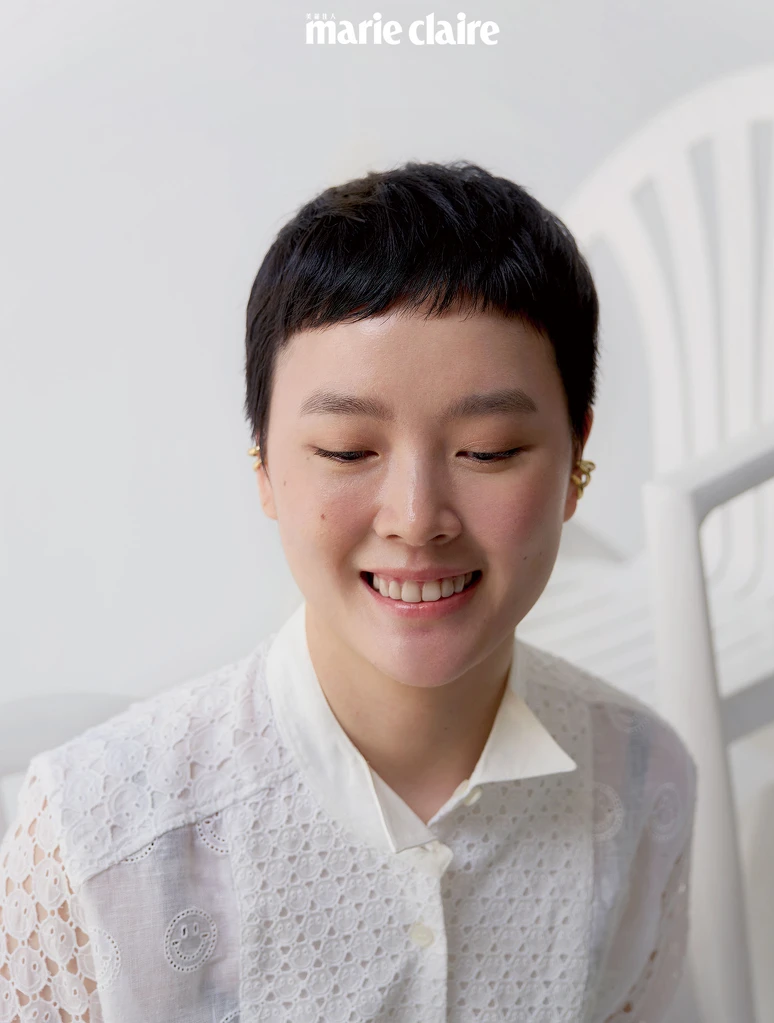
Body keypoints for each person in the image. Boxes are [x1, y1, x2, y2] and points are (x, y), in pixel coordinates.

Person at [0, 160, 696, 1022]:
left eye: (487, 450)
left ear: (574, 461)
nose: (416, 517)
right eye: (346, 450)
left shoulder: (644, 780)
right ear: (264, 466)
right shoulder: (93, 842)